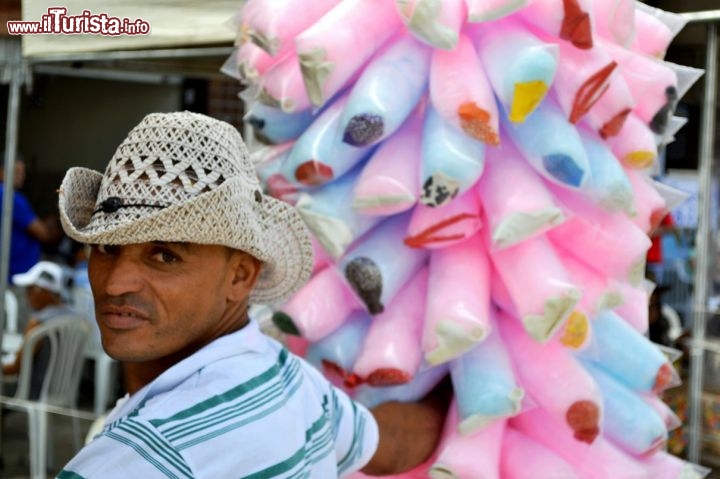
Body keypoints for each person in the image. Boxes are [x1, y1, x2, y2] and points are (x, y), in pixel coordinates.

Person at [56, 112, 448, 477]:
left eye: (164, 255)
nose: (115, 283)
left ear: (240, 275)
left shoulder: (140, 458)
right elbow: (393, 442)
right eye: (107, 247)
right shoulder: (285, 375)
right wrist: (451, 398)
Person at [2, 260, 76, 397]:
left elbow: (14, 368)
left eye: (29, 288)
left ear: (41, 290)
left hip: (33, 394)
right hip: (60, 394)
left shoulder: (38, 323)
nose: (26, 294)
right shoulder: (74, 318)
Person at [0, 155, 53, 281]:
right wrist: (51, 222)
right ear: (1, 171)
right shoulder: (10, 197)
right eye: (16, 172)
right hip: (17, 275)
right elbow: (42, 233)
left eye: (22, 172)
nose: (22, 176)